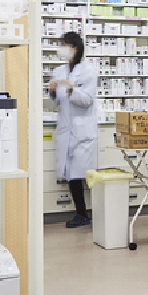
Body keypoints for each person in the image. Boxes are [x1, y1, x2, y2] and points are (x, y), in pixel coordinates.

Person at [49, 31, 97, 229]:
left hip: (82, 129)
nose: (61, 48)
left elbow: (87, 100)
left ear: (75, 49)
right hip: (66, 128)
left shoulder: (89, 71)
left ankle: (90, 213)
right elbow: (57, 102)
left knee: (81, 174)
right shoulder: (59, 71)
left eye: (64, 45)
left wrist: (71, 89)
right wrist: (53, 92)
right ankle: (82, 214)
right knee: (71, 174)